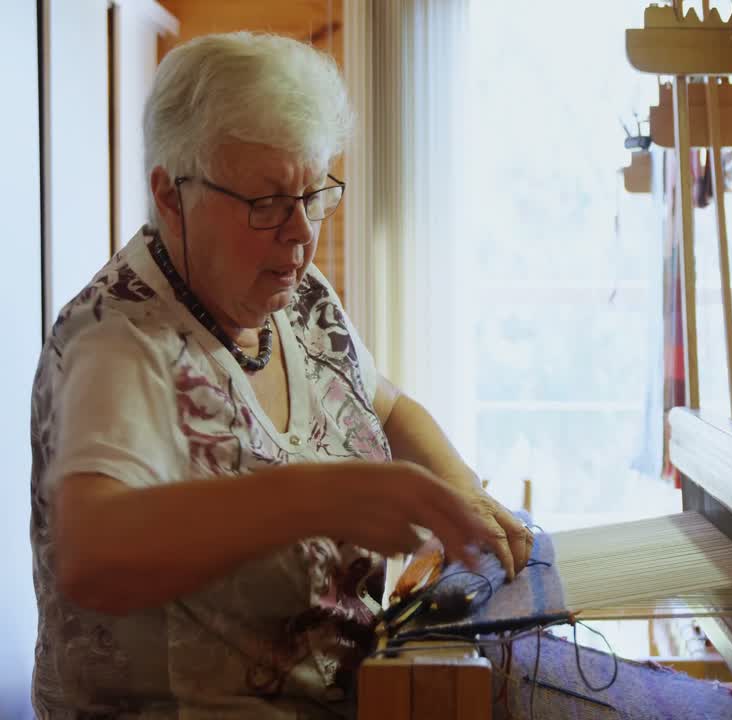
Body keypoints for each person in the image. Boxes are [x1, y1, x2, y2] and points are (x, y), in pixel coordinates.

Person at [28, 31, 530, 718]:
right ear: (170, 195)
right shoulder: (119, 341)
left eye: (314, 193)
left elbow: (387, 407)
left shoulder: (297, 295)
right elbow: (94, 553)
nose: (299, 233)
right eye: (265, 202)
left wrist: (464, 498)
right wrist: (319, 497)